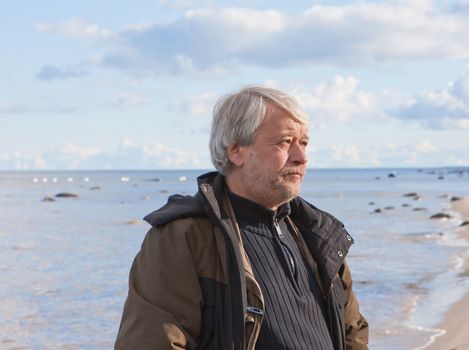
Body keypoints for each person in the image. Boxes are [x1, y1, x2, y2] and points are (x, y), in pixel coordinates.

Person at [115, 86, 369, 350]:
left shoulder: (318, 234)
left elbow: (353, 332)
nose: (301, 157)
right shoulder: (184, 238)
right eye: (284, 142)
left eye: (303, 143)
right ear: (235, 151)